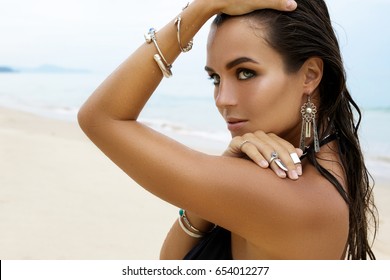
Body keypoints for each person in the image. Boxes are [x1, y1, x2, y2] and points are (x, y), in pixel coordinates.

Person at [78, 0, 377, 259]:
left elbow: (102, 117)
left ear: (309, 75)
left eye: (246, 73)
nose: (223, 99)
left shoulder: (288, 196)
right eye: (215, 78)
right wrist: (228, 165)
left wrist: (201, 8)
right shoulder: (322, 164)